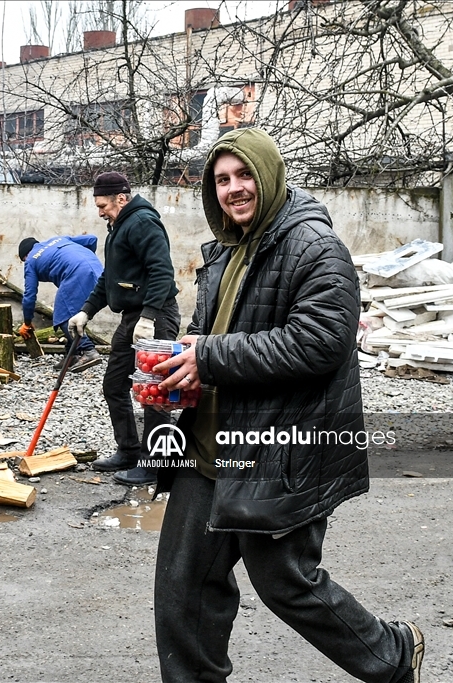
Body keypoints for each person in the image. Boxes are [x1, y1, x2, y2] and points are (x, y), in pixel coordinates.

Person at [151, 128, 423, 682]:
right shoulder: (226, 250)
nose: (234, 189)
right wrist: (182, 374)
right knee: (182, 588)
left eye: (244, 175)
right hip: (209, 441)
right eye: (222, 180)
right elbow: (208, 334)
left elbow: (322, 341)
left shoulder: (315, 247)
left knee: (285, 582)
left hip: (281, 445)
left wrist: (211, 358)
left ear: (269, 175)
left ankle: (393, 657)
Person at [68, 171, 181, 486]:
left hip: (154, 315)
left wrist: (149, 316)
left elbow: (162, 271)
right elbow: (109, 277)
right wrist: (86, 311)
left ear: (122, 197)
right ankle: (129, 450)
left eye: (103, 204)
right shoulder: (118, 226)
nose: (100, 211)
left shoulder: (143, 223)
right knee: (114, 384)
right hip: (132, 317)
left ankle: (154, 464)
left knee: (155, 391)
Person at [17, 235, 103, 372]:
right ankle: (72, 355)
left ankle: (88, 351)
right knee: (71, 313)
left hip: (77, 273)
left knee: (62, 316)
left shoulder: (31, 261)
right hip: (97, 269)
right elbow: (92, 239)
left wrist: (27, 322)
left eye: (23, 261)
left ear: (25, 255)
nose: (24, 263)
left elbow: (29, 295)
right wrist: (84, 261)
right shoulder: (58, 240)